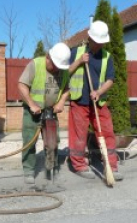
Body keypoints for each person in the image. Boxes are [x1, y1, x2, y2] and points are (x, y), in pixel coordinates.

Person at [68, 20, 123, 181]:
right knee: (79, 134)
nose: (99, 45)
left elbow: (110, 79)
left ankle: (111, 165)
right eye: (97, 42)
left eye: (102, 42)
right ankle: (78, 164)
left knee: (107, 132)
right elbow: (65, 74)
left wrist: (99, 91)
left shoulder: (107, 57)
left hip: (98, 102)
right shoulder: (76, 52)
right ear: (90, 38)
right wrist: (78, 62)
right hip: (79, 101)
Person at [18, 42, 71, 184]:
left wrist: (61, 102)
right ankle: (29, 171)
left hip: (51, 112)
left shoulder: (63, 69)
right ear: (48, 57)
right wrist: (31, 104)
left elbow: (67, 88)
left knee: (53, 143)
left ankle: (50, 169)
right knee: (29, 142)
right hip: (33, 113)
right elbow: (22, 85)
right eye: (55, 65)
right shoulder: (35, 65)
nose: (57, 69)